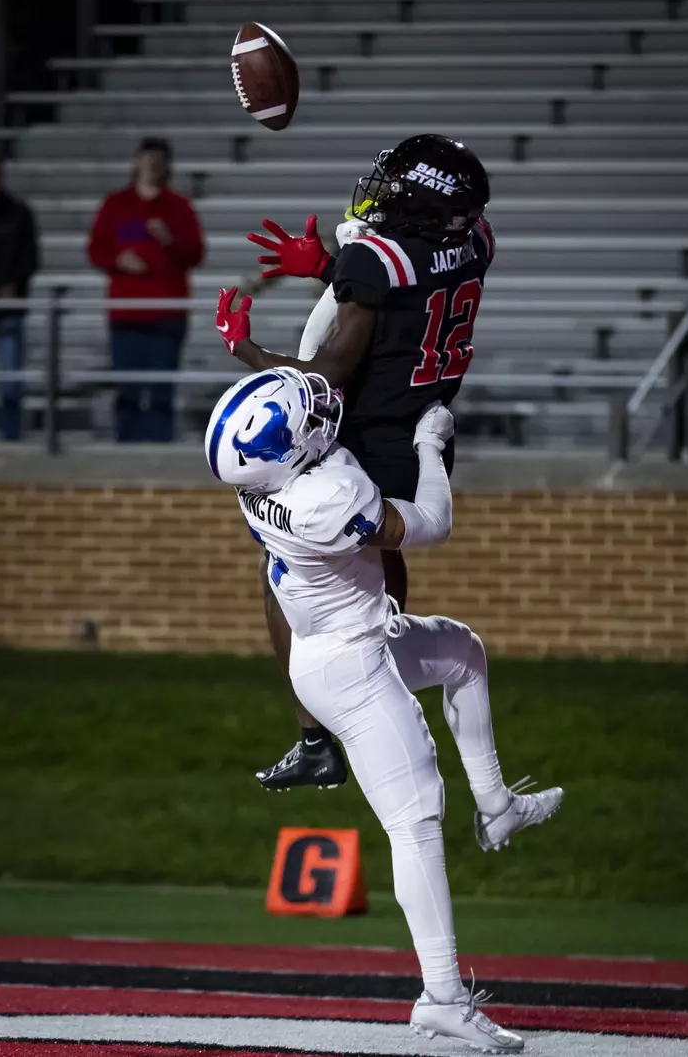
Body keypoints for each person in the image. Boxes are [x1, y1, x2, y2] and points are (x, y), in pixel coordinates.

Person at [205, 366, 563, 1053]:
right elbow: (432, 524)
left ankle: (496, 805)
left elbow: (318, 415)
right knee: (416, 822)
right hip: (349, 666)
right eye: (303, 418)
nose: (319, 413)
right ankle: (442, 997)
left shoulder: (264, 482)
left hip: (342, 640)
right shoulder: (327, 496)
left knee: (461, 651)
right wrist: (429, 445)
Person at [217, 134, 495, 790]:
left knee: (282, 571)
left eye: (395, 189)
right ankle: (370, 689)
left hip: (366, 436)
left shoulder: (376, 257)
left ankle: (319, 737)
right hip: (422, 429)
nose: (380, 195)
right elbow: (406, 303)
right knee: (381, 564)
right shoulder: (478, 240)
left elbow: (327, 373)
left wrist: (245, 350)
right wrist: (330, 269)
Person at [87, 136, 204, 442]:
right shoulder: (115, 205)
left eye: (158, 161)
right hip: (125, 313)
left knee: (161, 390)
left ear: (167, 166)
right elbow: (96, 249)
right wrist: (118, 260)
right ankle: (126, 447)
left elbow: (195, 253)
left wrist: (169, 240)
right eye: (147, 159)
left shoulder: (179, 207)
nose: (151, 166)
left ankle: (158, 451)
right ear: (135, 162)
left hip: (166, 314)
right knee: (126, 388)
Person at [0, 152, 39, 440]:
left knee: (11, 379)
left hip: (10, 308)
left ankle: (10, 435)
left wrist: (13, 284)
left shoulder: (19, 212)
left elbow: (30, 258)